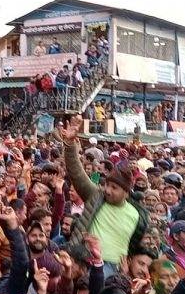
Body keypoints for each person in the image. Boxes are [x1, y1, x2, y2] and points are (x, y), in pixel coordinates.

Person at [58, 115, 148, 277]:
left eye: (114, 188)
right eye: (107, 185)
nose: (107, 190)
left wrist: (127, 269)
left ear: (126, 192)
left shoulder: (138, 214)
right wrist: (70, 145)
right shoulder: (96, 196)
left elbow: (136, 245)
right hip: (87, 263)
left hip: (116, 271)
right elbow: (77, 174)